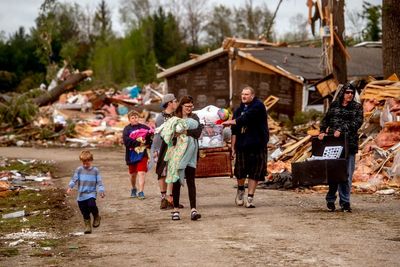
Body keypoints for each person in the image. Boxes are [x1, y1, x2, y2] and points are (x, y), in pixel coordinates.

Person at [318, 82, 363, 212]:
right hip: (333, 144)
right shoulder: (334, 105)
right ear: (343, 93)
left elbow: (357, 123)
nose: (349, 95)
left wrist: (342, 129)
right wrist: (322, 131)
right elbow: (326, 120)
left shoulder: (357, 107)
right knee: (333, 173)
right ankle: (330, 199)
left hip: (349, 144)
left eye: (352, 93)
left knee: (346, 174)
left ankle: (345, 202)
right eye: (347, 92)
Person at [222, 86, 269, 208]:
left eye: (247, 94)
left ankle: (250, 198)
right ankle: (241, 190)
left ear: (252, 95)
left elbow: (246, 118)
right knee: (240, 172)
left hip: (258, 145)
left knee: (255, 172)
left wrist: (232, 121)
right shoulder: (238, 110)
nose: (244, 96)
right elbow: (235, 132)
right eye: (242, 94)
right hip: (242, 146)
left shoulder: (258, 106)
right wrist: (233, 148)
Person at [160, 96, 203, 221]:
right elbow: (169, 135)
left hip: (191, 153)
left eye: (191, 106)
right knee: (176, 181)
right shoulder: (174, 117)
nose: (189, 109)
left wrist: (184, 132)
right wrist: (179, 133)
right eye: (187, 106)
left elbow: (198, 133)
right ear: (182, 106)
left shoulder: (194, 117)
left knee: (191, 181)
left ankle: (193, 210)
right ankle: (175, 210)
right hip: (177, 153)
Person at [67, 150, 105, 234]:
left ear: (91, 160)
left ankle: (96, 216)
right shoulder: (79, 170)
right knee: (84, 211)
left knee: (91, 204)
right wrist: (70, 187)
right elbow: (74, 179)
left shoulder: (95, 170)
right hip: (81, 194)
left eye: (87, 161)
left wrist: (101, 191)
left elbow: (99, 182)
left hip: (91, 193)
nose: (85, 164)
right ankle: (87, 226)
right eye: (83, 162)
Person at [152, 93, 179, 209]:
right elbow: (161, 134)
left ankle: (171, 198)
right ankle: (164, 198)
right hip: (161, 147)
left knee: (171, 173)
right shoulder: (161, 117)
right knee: (162, 172)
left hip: (173, 148)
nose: (177, 103)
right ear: (169, 103)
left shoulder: (177, 115)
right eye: (175, 101)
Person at [123, 110, 153, 199]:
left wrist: (148, 143)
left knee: (141, 173)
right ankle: (133, 188)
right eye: (133, 118)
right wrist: (138, 143)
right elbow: (126, 141)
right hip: (131, 154)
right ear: (129, 119)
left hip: (142, 153)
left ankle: (141, 192)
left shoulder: (144, 127)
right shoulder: (127, 129)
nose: (135, 119)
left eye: (136, 117)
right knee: (133, 174)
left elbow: (151, 137)